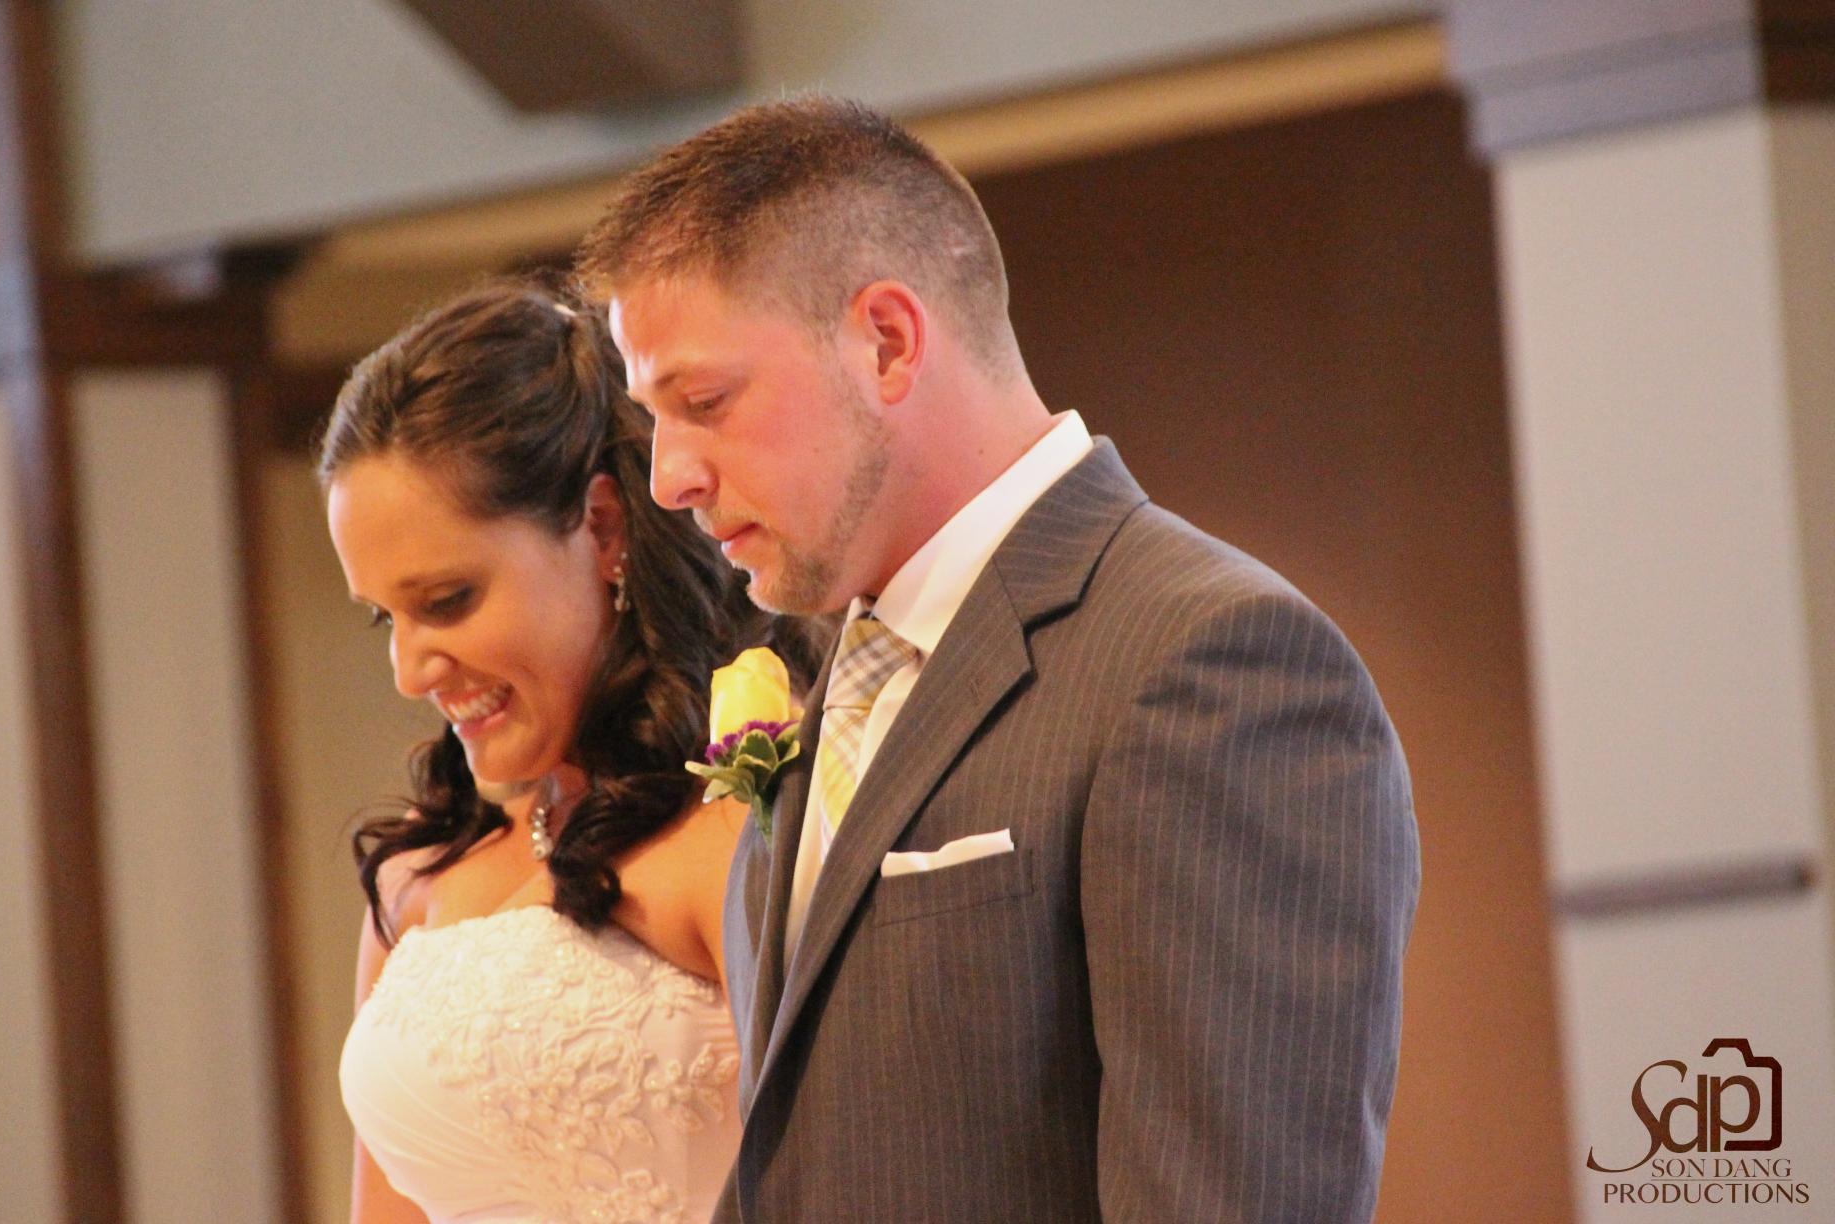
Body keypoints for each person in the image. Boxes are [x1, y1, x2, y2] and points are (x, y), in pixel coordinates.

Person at [577, 96, 1422, 1222]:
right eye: (656, 421)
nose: (671, 477)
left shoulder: (1208, 662)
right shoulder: (841, 671)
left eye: (705, 401)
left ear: (886, 341)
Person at [321, 277, 810, 1224]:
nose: (410, 671)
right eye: (385, 617)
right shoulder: (420, 873)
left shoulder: (749, 821)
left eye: (447, 600)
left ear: (603, 526)